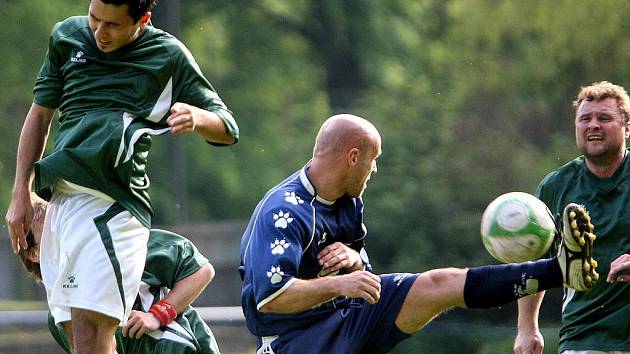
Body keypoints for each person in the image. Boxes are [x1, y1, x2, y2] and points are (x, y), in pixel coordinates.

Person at [238, 113, 600, 354]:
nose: (374, 169)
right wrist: (340, 285)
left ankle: (559, 270)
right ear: (352, 157)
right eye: (372, 159)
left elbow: (364, 270)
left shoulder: (346, 201)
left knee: (438, 284)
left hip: (350, 313)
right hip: (297, 342)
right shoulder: (284, 211)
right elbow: (271, 297)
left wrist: (353, 261)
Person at [5, 1, 238, 353]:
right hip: (60, 205)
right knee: (75, 338)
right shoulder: (67, 36)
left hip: (112, 206)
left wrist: (197, 118)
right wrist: (20, 193)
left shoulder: (167, 55)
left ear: (143, 19)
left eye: (112, 25)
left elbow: (228, 127)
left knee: (91, 335)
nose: (100, 32)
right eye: (94, 18)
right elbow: (39, 116)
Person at [19, 196, 221, 354]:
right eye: (49, 231)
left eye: (62, 223)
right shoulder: (58, 313)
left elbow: (201, 270)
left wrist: (157, 315)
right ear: (34, 253)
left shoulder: (118, 248)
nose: (62, 232)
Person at [514, 81, 630, 354]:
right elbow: (535, 259)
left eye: (604, 118)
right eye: (585, 119)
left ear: (627, 127)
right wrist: (527, 327)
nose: (593, 125)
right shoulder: (556, 186)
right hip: (583, 336)